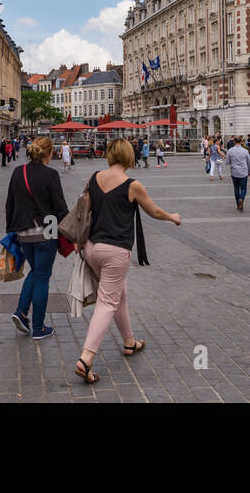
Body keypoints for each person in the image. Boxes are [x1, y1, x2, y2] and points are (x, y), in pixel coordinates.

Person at [73, 139, 180, 385]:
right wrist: (172, 217)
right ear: (130, 156)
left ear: (111, 155)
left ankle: (130, 342)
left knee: (119, 295)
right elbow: (153, 211)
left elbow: (84, 211)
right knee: (108, 302)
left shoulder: (93, 177)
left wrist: (79, 241)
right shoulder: (133, 185)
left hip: (92, 248)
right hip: (115, 252)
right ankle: (86, 358)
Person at [5, 137, 69, 340]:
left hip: (23, 233)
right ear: (48, 153)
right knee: (42, 277)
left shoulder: (18, 172)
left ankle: (21, 312)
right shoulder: (51, 175)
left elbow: (10, 204)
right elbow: (60, 207)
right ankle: (39, 327)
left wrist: (11, 231)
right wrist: (70, 230)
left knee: (36, 272)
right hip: (46, 232)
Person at [226, 136, 250, 211]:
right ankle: (241, 198)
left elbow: (227, 162)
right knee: (244, 188)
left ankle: (238, 205)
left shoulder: (230, 151)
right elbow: (249, 163)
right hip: (243, 172)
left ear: (234, 142)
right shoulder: (245, 151)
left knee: (236, 188)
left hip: (234, 172)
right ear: (241, 142)